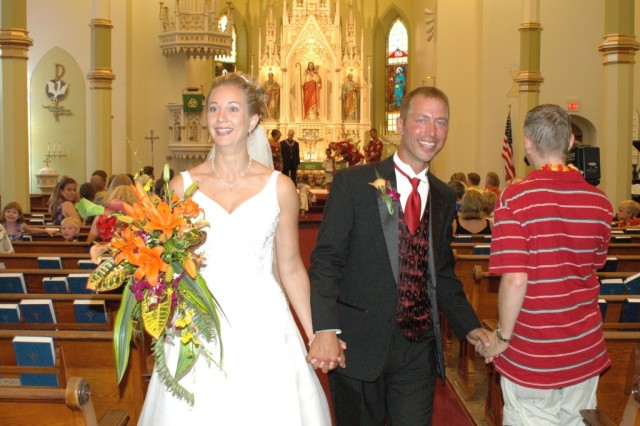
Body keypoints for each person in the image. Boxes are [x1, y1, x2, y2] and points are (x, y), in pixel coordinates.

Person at [138, 72, 331, 425]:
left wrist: (316, 332)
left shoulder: (279, 188)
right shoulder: (181, 186)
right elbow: (168, 263)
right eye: (213, 109)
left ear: (253, 120)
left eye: (232, 109)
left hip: (264, 323)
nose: (221, 118)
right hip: (198, 320)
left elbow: (290, 267)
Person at [307, 86, 491, 425]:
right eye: (422, 120)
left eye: (441, 122)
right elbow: (326, 262)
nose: (432, 131)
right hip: (359, 345)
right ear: (401, 125)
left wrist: (471, 327)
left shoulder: (443, 196)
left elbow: (442, 274)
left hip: (417, 350)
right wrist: (325, 329)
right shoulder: (354, 183)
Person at [481, 104, 613, 425]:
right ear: (571, 141)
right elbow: (592, 266)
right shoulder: (601, 203)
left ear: (527, 143)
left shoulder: (515, 199)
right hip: (582, 348)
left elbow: (515, 280)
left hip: (533, 350)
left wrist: (502, 338)